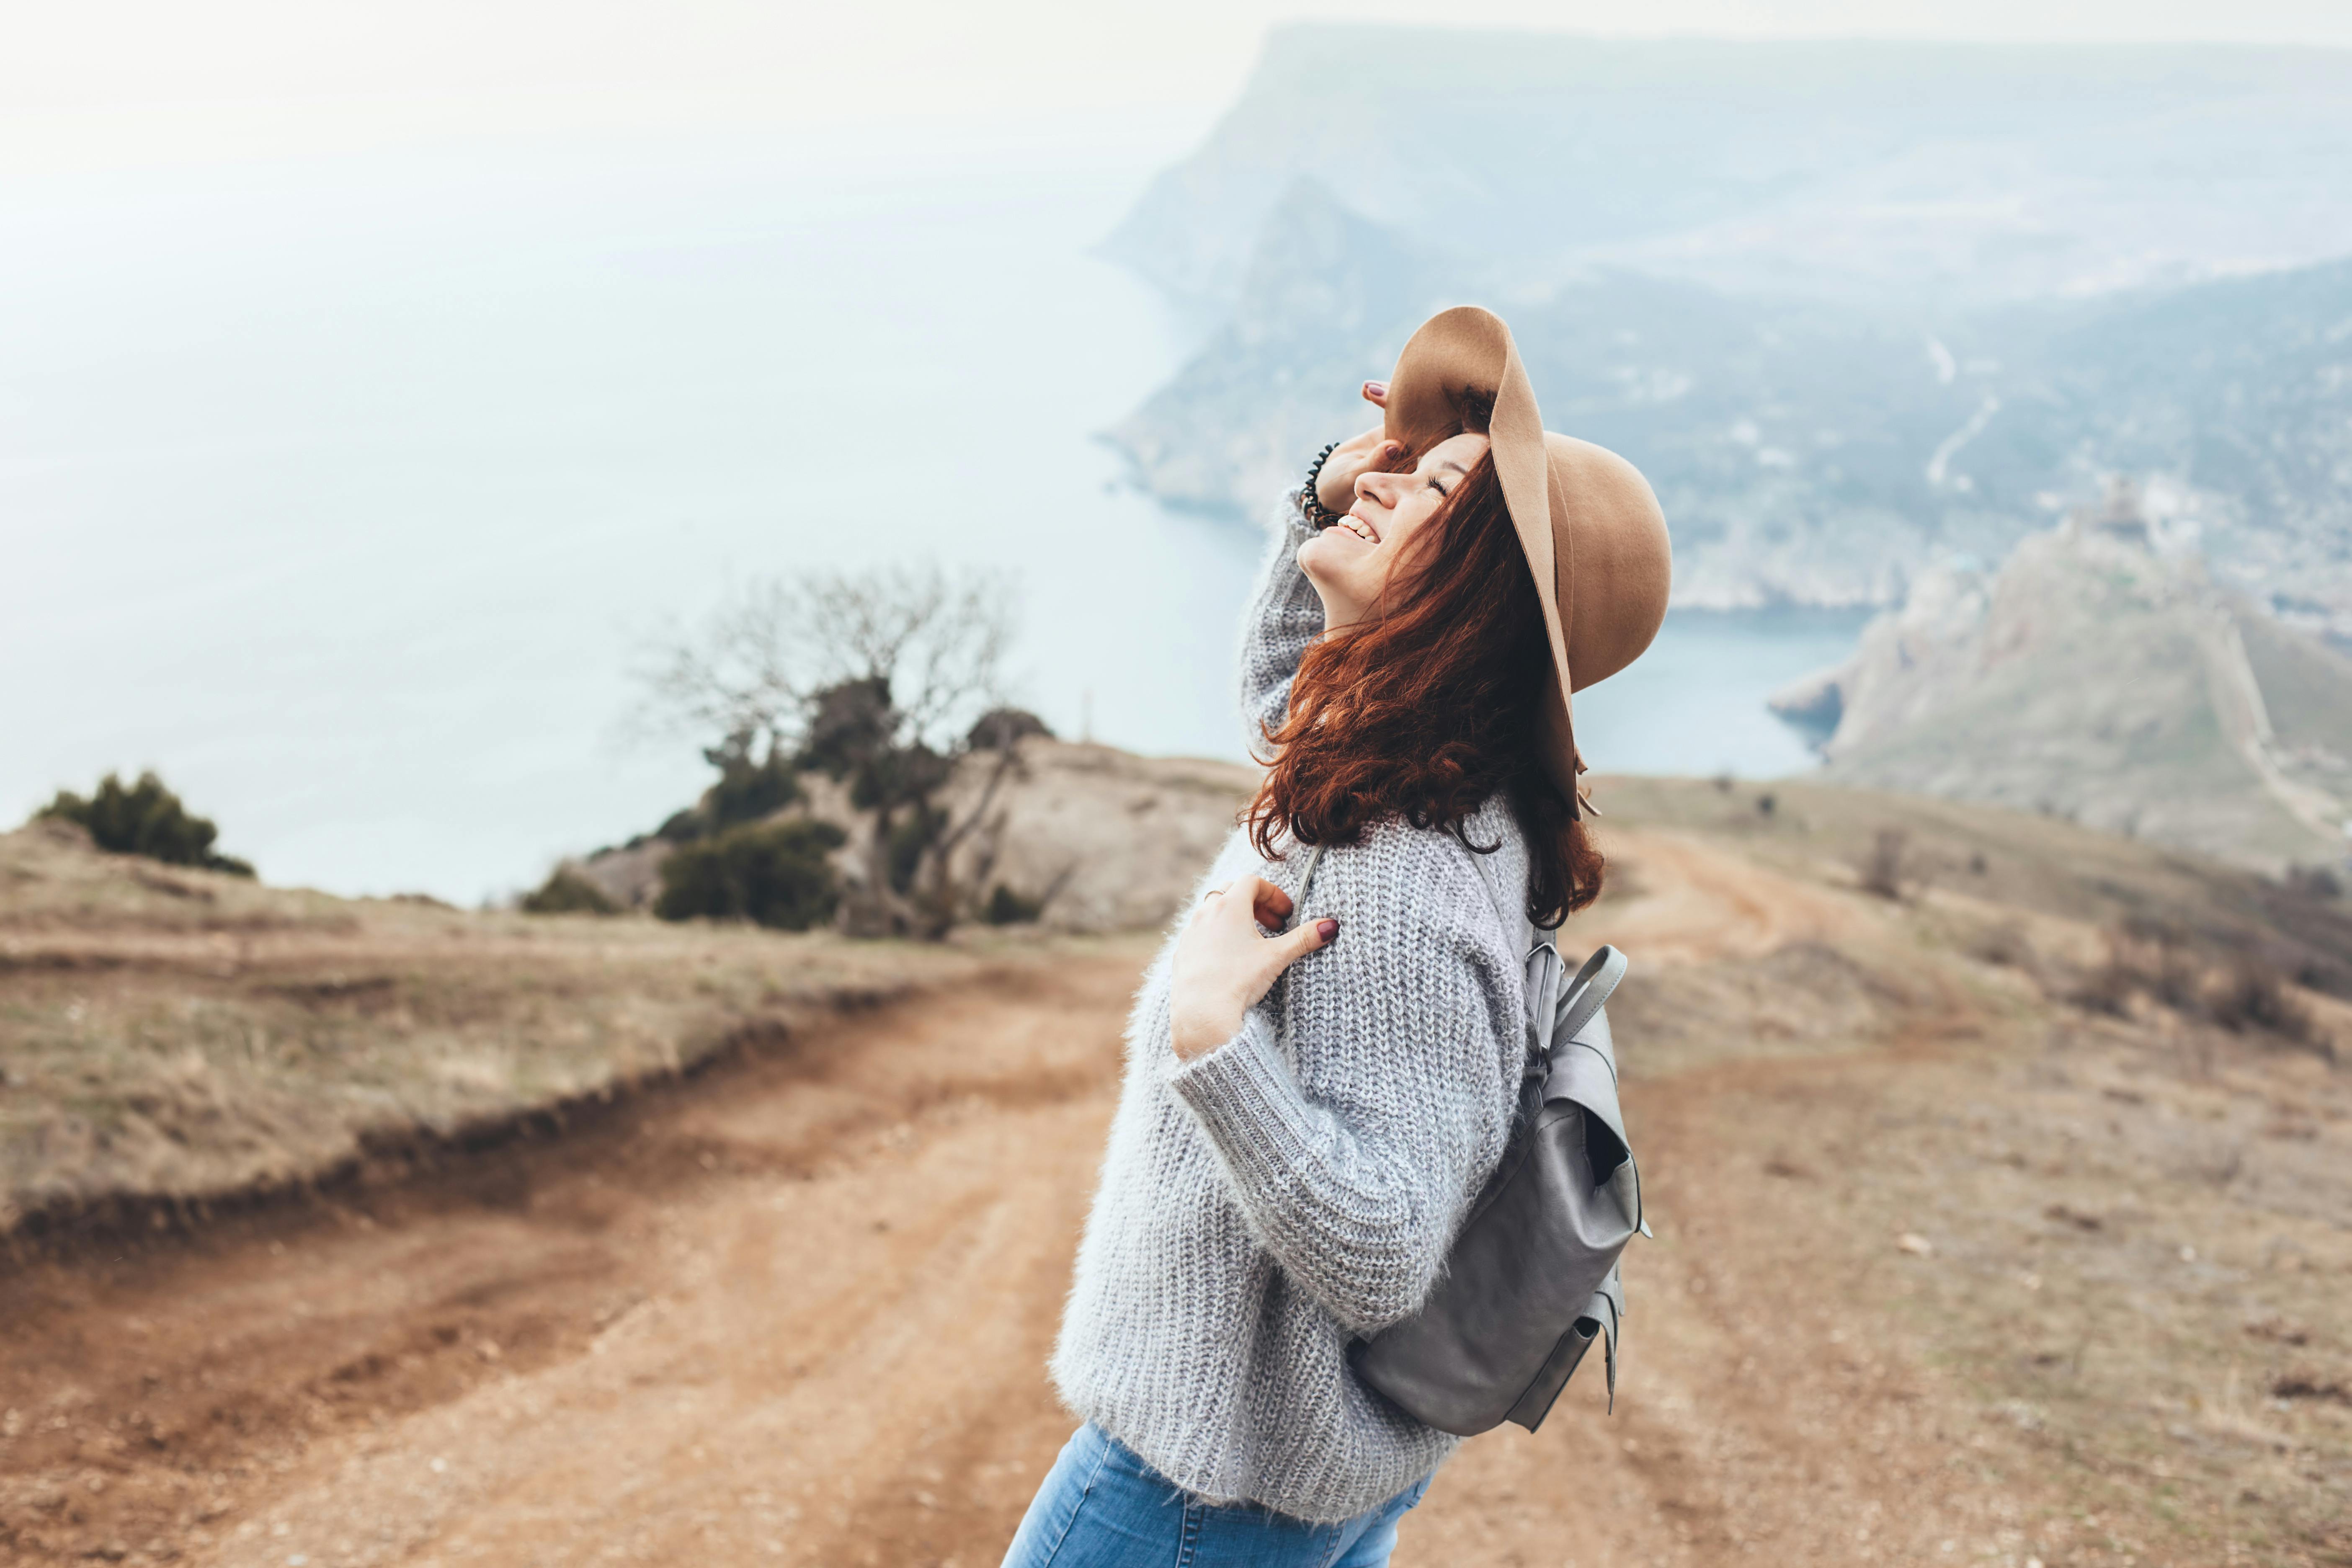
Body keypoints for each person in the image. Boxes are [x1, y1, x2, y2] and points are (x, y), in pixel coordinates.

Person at [1001, 306, 1671, 1567]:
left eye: (1436, 492)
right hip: (1272, 1482)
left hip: (1202, 1495)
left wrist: (1214, 1041)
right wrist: (1327, 497)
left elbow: (1384, 1250)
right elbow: (1284, 692)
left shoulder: (1399, 877)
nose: (1390, 477)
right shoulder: (1408, 766)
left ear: (1483, 597)